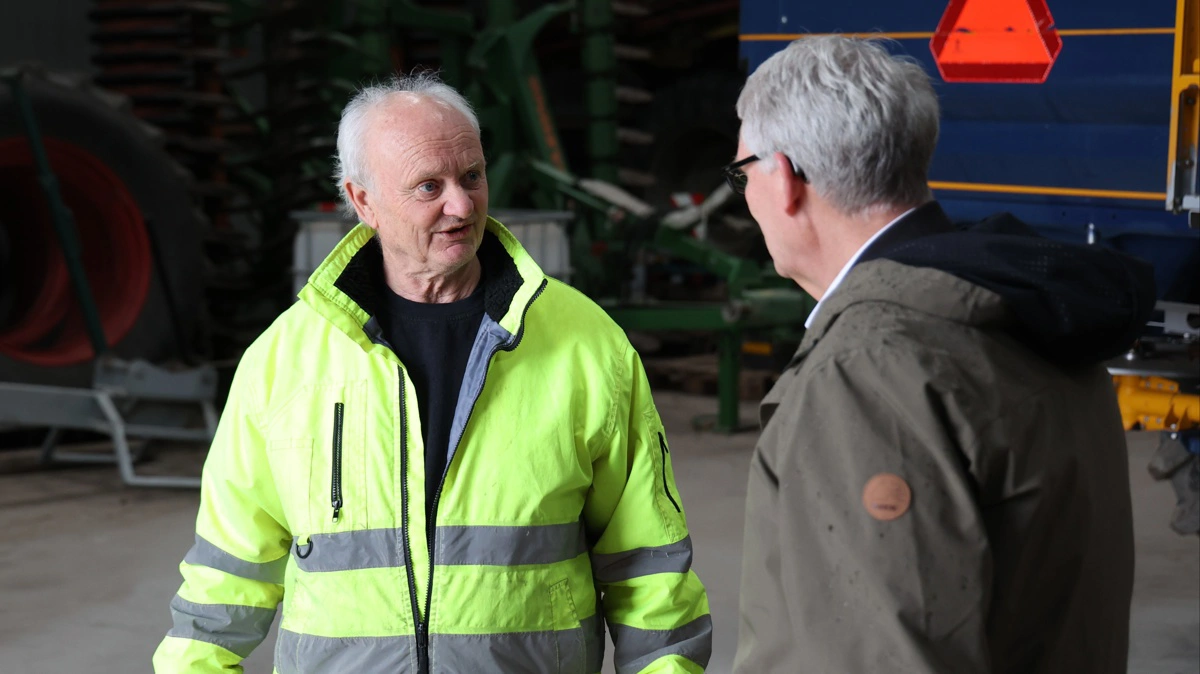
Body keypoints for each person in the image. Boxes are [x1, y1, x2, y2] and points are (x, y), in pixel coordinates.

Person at [153, 73, 711, 673]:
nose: (463, 204)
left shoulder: (587, 344)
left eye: (472, 175)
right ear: (363, 201)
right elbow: (225, 578)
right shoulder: (284, 360)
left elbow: (650, 571)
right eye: (429, 186)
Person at [729, 36, 1154, 673]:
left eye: (741, 173)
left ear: (784, 178)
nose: (743, 193)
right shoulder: (1023, 311)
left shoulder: (869, 370)